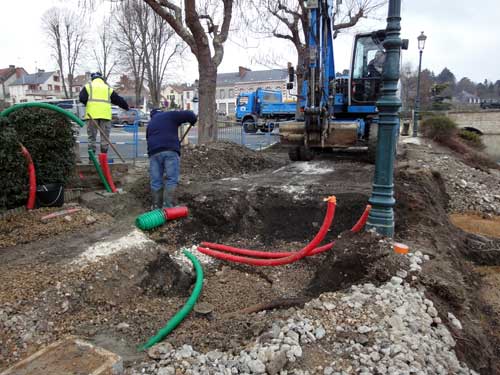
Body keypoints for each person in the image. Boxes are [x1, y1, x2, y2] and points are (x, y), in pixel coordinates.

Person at [146, 108, 197, 208]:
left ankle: (156, 206)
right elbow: (190, 114)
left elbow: (149, 139)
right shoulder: (169, 115)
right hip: (170, 150)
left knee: (156, 180)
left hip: (154, 153)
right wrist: (193, 120)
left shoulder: (150, 124)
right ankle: (168, 206)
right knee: (171, 178)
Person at [79, 72, 129, 155]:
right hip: (105, 116)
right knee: (104, 139)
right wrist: (126, 107)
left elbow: (82, 98)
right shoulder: (107, 88)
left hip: (92, 116)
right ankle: (104, 160)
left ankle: (92, 160)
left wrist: (87, 103)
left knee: (92, 138)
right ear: (101, 79)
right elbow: (118, 99)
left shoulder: (88, 87)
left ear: (92, 79)